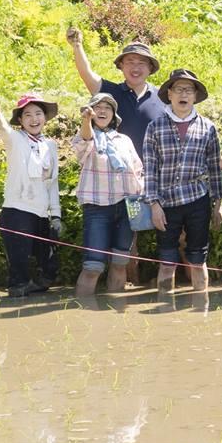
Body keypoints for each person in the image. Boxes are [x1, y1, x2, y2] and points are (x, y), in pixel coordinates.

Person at [67, 28, 165, 288]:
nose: (135, 67)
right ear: (121, 66)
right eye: (130, 62)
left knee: (170, 243)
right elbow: (87, 75)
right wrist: (77, 46)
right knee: (113, 259)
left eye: (141, 63)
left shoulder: (163, 98)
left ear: (150, 68)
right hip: (106, 192)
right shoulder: (111, 94)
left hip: (148, 184)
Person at [143, 68, 222, 294]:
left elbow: (214, 169)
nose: (183, 95)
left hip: (197, 199)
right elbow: (149, 169)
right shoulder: (155, 127)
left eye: (189, 90)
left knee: (198, 259)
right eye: (178, 89)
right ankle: (164, 308)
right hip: (166, 202)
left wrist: (218, 204)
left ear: (195, 96)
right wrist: (154, 204)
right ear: (169, 94)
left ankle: (202, 309)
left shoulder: (207, 127)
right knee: (167, 260)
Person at [0, 94, 62, 298]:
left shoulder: (51, 146)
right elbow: (4, 130)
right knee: (19, 264)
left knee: (49, 264)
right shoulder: (16, 140)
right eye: (27, 115)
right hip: (17, 210)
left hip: (41, 212)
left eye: (38, 113)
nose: (34, 119)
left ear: (45, 118)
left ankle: (36, 287)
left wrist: (56, 215)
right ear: (20, 120)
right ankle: (17, 289)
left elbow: (52, 183)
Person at [70, 92, 142, 296]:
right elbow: (84, 141)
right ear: (91, 114)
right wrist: (85, 120)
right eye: (98, 107)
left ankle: (115, 314)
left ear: (114, 115)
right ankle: (82, 313)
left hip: (126, 207)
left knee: (120, 263)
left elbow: (138, 170)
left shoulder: (124, 140)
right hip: (97, 207)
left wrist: (144, 198)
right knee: (93, 266)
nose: (102, 111)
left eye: (107, 108)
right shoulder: (87, 136)